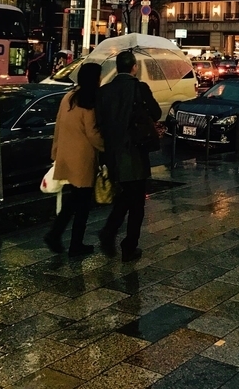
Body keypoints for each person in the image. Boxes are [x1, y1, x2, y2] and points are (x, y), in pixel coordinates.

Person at [96, 50, 161, 262]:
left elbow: (101, 123)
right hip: (134, 152)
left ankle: (108, 232)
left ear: (117, 67)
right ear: (134, 67)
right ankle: (129, 246)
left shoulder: (105, 91)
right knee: (136, 203)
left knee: (125, 196)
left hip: (113, 153)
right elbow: (157, 113)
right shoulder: (139, 88)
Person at [44, 62, 104, 257]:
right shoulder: (89, 102)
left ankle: (56, 234)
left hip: (66, 156)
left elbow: (58, 126)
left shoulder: (68, 97)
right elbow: (93, 133)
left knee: (73, 200)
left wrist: (55, 152)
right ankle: (74, 244)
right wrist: (107, 147)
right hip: (82, 159)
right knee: (82, 204)